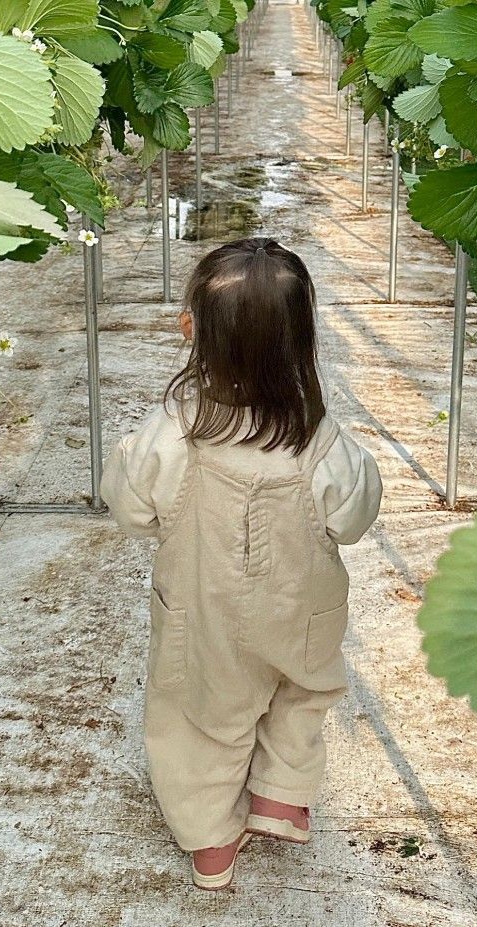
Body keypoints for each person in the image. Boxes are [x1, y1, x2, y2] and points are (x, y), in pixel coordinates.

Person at [101, 237, 382, 890]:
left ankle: (211, 846)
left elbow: (130, 505)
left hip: (206, 614)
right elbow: (353, 515)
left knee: (199, 717)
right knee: (301, 690)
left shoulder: (174, 429)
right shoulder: (316, 437)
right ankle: (281, 795)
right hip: (301, 609)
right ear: (304, 342)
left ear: (190, 331)